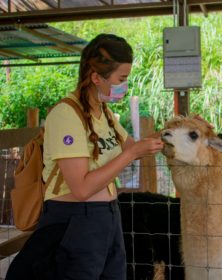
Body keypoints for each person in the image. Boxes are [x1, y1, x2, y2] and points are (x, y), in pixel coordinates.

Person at [6, 33, 164, 280]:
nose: (125, 85)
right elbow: (80, 188)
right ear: (95, 77)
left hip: (107, 217)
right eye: (122, 79)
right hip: (75, 222)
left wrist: (180, 130)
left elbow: (135, 147)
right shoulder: (66, 115)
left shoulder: (104, 113)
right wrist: (131, 153)